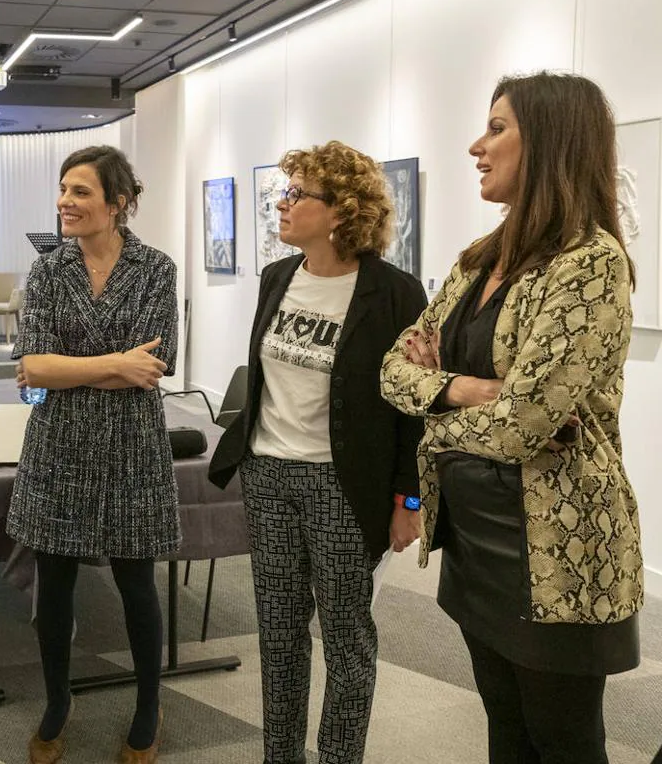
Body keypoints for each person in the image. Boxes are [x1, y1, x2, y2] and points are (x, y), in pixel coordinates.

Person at [380, 72, 642, 764]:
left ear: (550, 141)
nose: (476, 144)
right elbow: (393, 372)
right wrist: (470, 389)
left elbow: (524, 423)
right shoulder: (480, 261)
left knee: (563, 742)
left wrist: (441, 398)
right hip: (476, 543)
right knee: (506, 731)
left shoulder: (590, 262)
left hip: (557, 551)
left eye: (497, 128)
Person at [207, 141, 427, 764]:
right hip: (268, 474)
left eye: (296, 194)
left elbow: (412, 409)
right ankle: (283, 755)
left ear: (340, 211)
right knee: (278, 635)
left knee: (347, 638)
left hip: (342, 486)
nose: (282, 204)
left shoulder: (395, 293)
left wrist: (407, 499)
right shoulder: (278, 278)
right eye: (284, 191)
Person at [9, 145, 178, 764]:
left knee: (137, 583)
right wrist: (114, 364)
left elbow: (156, 367)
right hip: (58, 446)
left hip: (133, 446)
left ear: (119, 202)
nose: (65, 203)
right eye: (62, 190)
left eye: (80, 192)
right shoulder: (50, 271)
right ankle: (57, 701)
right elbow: (31, 366)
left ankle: (148, 707)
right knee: (53, 582)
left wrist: (70, 369)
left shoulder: (157, 269)